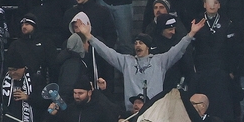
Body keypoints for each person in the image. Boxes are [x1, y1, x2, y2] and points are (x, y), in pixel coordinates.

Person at [74, 15, 203, 109]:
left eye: (141, 43)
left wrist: (190, 34)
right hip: (132, 111)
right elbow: (107, 53)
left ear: (148, 46)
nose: (137, 46)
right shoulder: (126, 62)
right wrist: (89, 37)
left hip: (154, 111)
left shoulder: (160, 61)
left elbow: (177, 50)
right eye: (135, 43)